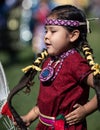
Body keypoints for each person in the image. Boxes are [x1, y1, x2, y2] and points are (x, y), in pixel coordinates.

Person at [17, 5, 100, 130]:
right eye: (46, 31)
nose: (46, 36)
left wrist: (85, 110)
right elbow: (46, 101)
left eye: (53, 31)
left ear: (73, 35)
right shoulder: (48, 61)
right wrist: (29, 117)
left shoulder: (75, 63)